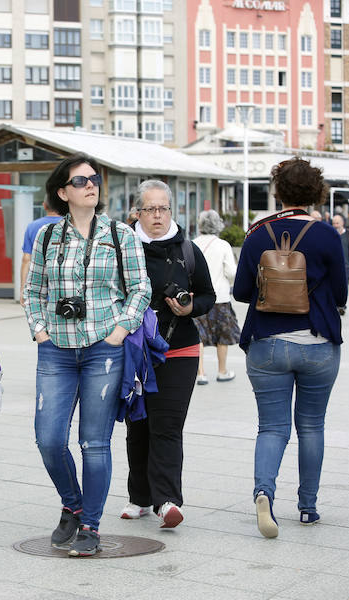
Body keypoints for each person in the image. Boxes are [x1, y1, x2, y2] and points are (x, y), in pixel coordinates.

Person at [23, 155, 151, 557]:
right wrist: (40, 331)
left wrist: (120, 330)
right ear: (63, 192)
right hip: (56, 351)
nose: (90, 185)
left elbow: (140, 289)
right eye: (80, 181)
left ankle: (91, 524)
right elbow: (32, 290)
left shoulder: (121, 234)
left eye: (94, 179)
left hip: (103, 350)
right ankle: (72, 503)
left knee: (94, 443)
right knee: (48, 439)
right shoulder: (47, 236)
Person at [233, 157, 346, 538]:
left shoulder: (256, 235)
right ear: (316, 192)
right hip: (317, 343)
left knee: (272, 427)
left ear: (277, 191)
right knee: (311, 426)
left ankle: (264, 491)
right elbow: (343, 292)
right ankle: (308, 508)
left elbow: (241, 292)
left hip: (266, 344)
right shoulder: (327, 235)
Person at [121, 181, 215, 529]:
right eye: (150, 209)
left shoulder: (188, 250)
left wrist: (188, 307)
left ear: (171, 211)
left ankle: (168, 501)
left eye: (163, 208)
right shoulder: (124, 249)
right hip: (135, 352)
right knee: (138, 425)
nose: (157, 215)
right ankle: (139, 496)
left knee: (168, 425)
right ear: (138, 213)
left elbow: (208, 296)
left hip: (180, 348)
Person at [192, 209, 241, 385]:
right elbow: (232, 272)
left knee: (198, 335)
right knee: (223, 335)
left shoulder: (192, 243)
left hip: (198, 297)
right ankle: (222, 371)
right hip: (220, 297)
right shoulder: (223, 245)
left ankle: (200, 373)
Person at [19, 199, 62, 302]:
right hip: (62, 285)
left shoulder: (32, 226)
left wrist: (23, 289)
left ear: (44, 206)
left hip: (38, 284)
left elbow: (26, 259)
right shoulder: (69, 224)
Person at [331, 214, 349, 314]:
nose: (335, 225)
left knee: (344, 286)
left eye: (337, 223)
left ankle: (341, 305)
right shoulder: (330, 234)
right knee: (332, 286)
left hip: (345, 266)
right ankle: (335, 305)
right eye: (334, 223)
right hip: (332, 266)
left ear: (342, 223)